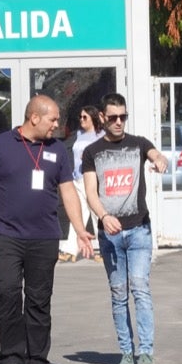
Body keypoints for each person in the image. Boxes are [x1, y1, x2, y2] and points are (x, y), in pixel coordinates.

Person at [0, 95, 94, 364]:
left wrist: (80, 230)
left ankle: (37, 363)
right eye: (53, 119)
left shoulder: (57, 149)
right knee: (7, 294)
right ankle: (10, 361)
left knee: (39, 301)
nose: (57, 125)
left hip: (44, 237)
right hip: (6, 235)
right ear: (34, 118)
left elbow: (68, 191)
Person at [82, 93, 168, 364]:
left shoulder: (138, 144)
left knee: (140, 288)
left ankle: (146, 354)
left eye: (123, 117)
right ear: (103, 118)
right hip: (110, 235)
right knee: (119, 293)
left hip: (139, 230)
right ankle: (126, 353)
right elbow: (91, 193)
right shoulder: (92, 152)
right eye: (114, 117)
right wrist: (104, 216)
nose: (119, 122)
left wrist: (159, 161)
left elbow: (156, 154)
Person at [59, 105, 103, 262]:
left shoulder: (101, 135)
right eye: (80, 117)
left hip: (92, 178)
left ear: (93, 118)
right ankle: (70, 249)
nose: (81, 120)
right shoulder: (78, 134)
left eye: (85, 117)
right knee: (77, 214)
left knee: (96, 213)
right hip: (77, 178)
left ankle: (104, 248)